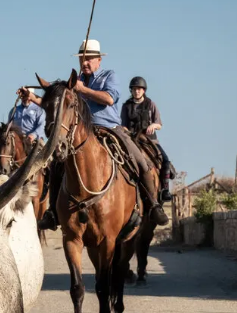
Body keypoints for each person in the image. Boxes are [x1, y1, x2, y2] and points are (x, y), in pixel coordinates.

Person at [36, 39, 169, 230]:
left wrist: (83, 90)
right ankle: (52, 212)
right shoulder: (75, 81)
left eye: (90, 58)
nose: (85, 62)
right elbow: (58, 104)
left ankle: (153, 206)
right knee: (57, 164)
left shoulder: (109, 76)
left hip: (109, 127)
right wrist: (33, 97)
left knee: (139, 160)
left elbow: (108, 98)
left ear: (99, 60)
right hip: (82, 132)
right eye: (82, 58)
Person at [121, 76, 173, 201]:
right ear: (131, 91)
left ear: (144, 90)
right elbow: (123, 125)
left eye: (139, 89)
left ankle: (165, 190)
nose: (136, 91)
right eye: (134, 89)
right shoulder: (126, 106)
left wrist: (153, 125)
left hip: (150, 140)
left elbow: (159, 124)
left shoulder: (151, 104)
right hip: (132, 140)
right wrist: (127, 132)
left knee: (166, 161)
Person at [9, 86, 46, 152]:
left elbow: (42, 125)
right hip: (17, 140)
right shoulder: (14, 110)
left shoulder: (38, 110)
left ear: (31, 96)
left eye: (26, 96)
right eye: (23, 96)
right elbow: (9, 125)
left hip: (34, 140)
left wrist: (33, 135)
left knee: (47, 156)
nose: (24, 98)